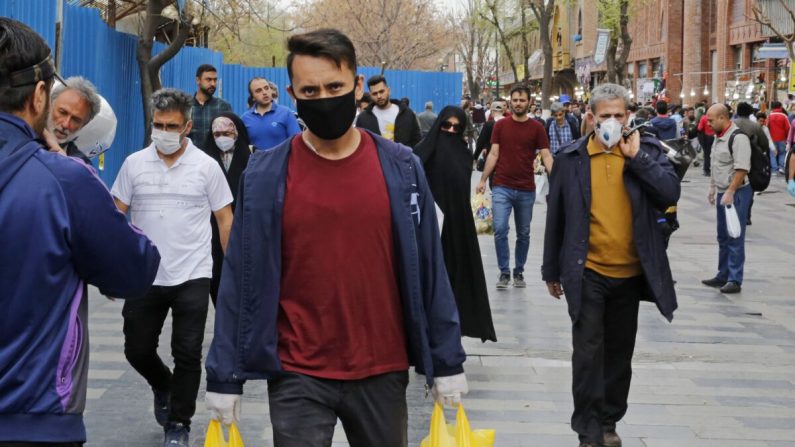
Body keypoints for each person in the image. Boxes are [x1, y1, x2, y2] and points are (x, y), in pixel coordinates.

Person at [204, 28, 467, 446]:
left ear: (357, 85)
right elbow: (240, 275)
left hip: (382, 367)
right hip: (296, 372)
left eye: (335, 86)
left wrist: (447, 361)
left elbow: (431, 268)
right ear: (292, 93)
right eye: (310, 90)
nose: (324, 98)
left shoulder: (401, 168)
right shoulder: (264, 174)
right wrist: (223, 375)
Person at [0, 17, 160, 446]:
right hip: (33, 417)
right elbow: (134, 270)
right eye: (60, 111)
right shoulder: (68, 181)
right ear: (39, 96)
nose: (66, 122)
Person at [542, 83, 680, 447]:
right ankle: (588, 429)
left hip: (631, 274)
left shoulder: (644, 151)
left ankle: (608, 420)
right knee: (587, 353)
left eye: (620, 115)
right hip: (587, 272)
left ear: (629, 117)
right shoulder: (570, 159)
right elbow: (555, 217)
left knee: (619, 355)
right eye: (606, 116)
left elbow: (669, 192)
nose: (613, 122)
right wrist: (550, 271)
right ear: (590, 117)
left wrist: (638, 159)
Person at [111, 88, 234, 447]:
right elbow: (114, 216)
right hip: (144, 274)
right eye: (158, 125)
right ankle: (162, 382)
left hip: (193, 273)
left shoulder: (206, 167)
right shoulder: (134, 164)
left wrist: (232, 272)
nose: (164, 132)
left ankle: (179, 422)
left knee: (188, 352)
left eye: (172, 126)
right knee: (136, 349)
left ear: (187, 127)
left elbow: (225, 219)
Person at [415, 106, 497, 342]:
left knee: (455, 280)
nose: (450, 130)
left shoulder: (463, 153)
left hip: (458, 227)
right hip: (430, 227)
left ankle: (450, 331)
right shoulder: (422, 152)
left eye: (456, 127)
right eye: (446, 126)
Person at [476, 85, 553, 289]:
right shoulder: (500, 126)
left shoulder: (537, 128)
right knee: (500, 229)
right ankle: (504, 271)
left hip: (526, 188)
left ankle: (518, 271)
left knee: (524, 233)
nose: (518, 103)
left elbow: (546, 155)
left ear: (529, 102)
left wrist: (558, 181)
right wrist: (483, 179)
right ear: (510, 102)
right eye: (515, 100)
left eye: (522, 100)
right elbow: (493, 154)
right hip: (501, 185)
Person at [700, 104, 753, 295]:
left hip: (737, 193)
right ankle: (722, 274)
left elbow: (742, 169)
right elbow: (716, 165)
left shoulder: (738, 138)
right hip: (724, 191)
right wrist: (713, 187)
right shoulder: (719, 137)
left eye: (712, 120)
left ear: (723, 117)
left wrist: (730, 191)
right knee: (722, 235)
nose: (709, 124)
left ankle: (734, 279)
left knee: (735, 236)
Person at [201, 112, 252, 305]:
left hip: (245, 225)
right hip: (212, 230)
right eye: (217, 134)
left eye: (227, 133)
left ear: (237, 133)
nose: (222, 138)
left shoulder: (253, 158)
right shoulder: (204, 160)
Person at [355, 74, 421, 147]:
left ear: (389, 90)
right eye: (375, 93)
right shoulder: (363, 118)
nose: (379, 96)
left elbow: (417, 141)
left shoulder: (407, 113)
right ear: (371, 95)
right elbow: (360, 145)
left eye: (381, 91)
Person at [48, 76, 101, 162]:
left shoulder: (82, 166)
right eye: (62, 112)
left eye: (75, 120)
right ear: (49, 106)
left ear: (84, 124)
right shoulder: (23, 139)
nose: (65, 124)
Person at [242, 77, 301, 151]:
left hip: (281, 162)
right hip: (257, 162)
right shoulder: (245, 119)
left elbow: (297, 144)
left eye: (266, 88)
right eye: (258, 91)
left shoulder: (286, 113)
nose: (264, 92)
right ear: (252, 97)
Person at [734, 102, 769, 226]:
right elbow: (764, 143)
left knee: (732, 187)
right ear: (750, 113)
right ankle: (746, 215)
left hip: (732, 161)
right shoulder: (755, 127)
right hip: (750, 161)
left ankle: (733, 213)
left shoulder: (731, 124)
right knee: (749, 189)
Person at [188, 64, 232, 151]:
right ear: (198, 80)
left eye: (215, 80)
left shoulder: (223, 107)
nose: (213, 84)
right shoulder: (185, 106)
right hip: (190, 160)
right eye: (208, 80)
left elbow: (230, 135)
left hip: (215, 161)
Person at [767, 100, 790, 175]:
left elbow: (767, 127)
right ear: (780, 107)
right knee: (782, 153)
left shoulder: (769, 116)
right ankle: (781, 167)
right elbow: (788, 128)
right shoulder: (784, 116)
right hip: (782, 138)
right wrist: (787, 138)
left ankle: (774, 169)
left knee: (772, 153)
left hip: (772, 138)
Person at [697, 107, 715, 176]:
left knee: (707, 155)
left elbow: (699, 128)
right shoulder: (716, 117)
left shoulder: (704, 118)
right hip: (716, 136)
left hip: (707, 137)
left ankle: (707, 170)